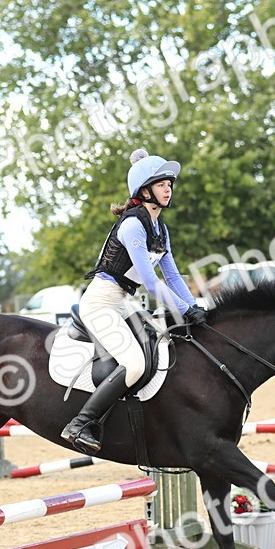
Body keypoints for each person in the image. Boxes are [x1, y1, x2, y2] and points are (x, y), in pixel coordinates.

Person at [60, 149, 206, 454]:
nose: (168, 189)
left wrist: (194, 307)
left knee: (162, 341)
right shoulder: (132, 225)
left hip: (124, 301)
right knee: (135, 364)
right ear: (144, 190)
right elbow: (152, 283)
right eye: (162, 184)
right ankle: (81, 422)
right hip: (100, 302)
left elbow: (173, 276)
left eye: (169, 184)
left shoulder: (160, 229)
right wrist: (183, 309)